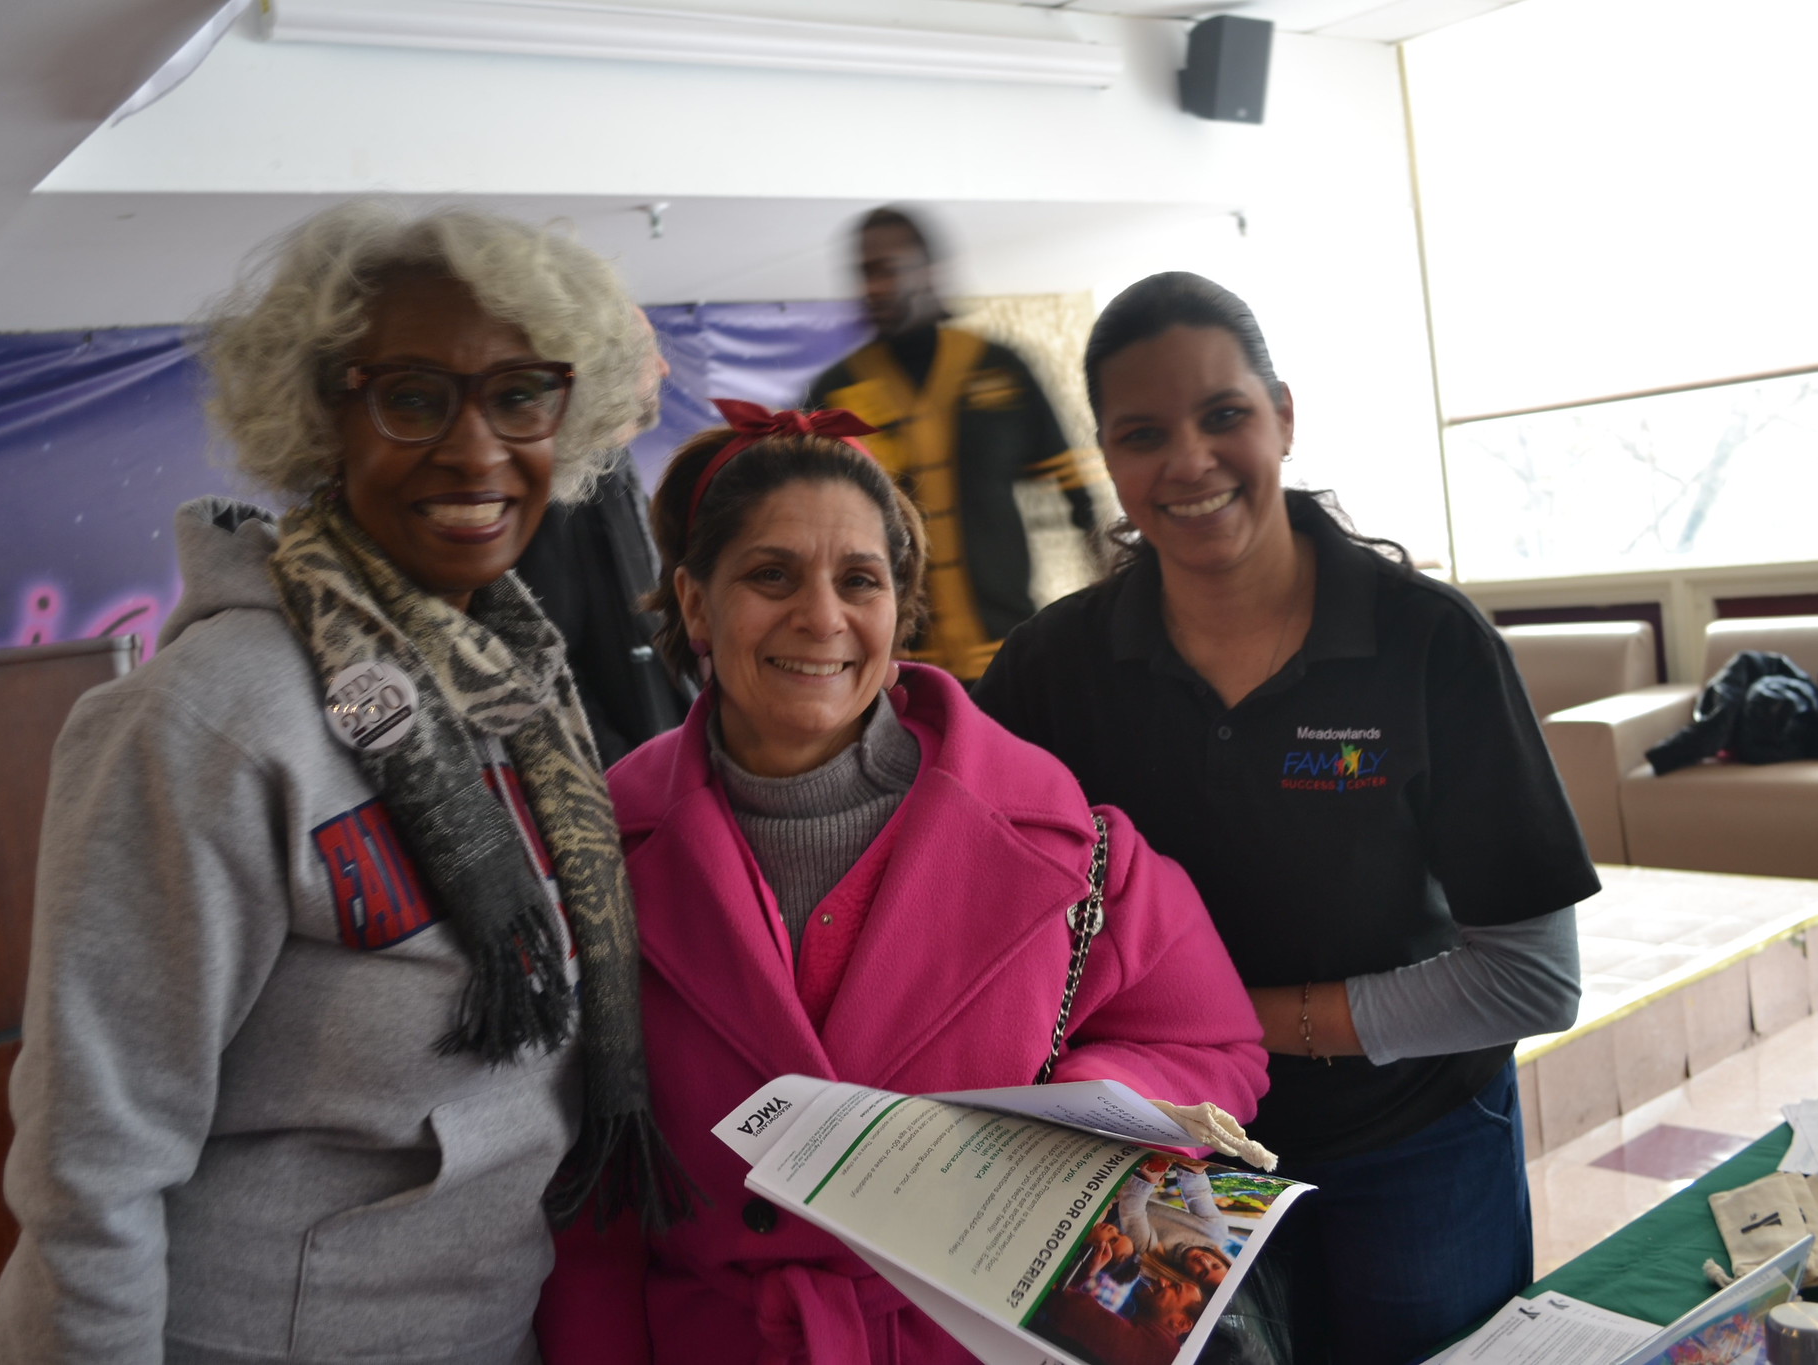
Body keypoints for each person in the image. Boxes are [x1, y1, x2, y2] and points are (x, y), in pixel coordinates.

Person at [0, 203, 683, 1364]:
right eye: (413, 397)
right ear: (325, 417)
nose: (474, 450)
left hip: (495, 1327)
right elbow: (89, 1170)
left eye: (520, 395)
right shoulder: (207, 721)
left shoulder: (520, 689)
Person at [535, 399, 1268, 1363]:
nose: (822, 617)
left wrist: (1079, 1114)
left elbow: (1212, 1045)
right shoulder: (591, 857)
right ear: (695, 603)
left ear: (898, 606)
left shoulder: (1063, 838)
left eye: (859, 579)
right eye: (770, 575)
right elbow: (589, 1210)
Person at [973, 272, 1595, 1365]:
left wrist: (1229, 1022)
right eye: (1143, 433)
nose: (1188, 462)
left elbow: (1530, 977)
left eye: (1224, 416)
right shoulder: (1048, 673)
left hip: (1409, 1144)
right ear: (1109, 460)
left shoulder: (1426, 645)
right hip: (1168, 1169)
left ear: (1284, 417)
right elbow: (968, 890)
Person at [804, 205, 1111, 683]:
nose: (873, 288)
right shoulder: (835, 393)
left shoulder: (1001, 368)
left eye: (887, 270)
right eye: (864, 273)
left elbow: (1083, 504)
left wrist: (1115, 606)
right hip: (897, 671)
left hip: (1011, 655)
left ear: (929, 271)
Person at [516, 309, 692, 767]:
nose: (664, 367)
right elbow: (546, 659)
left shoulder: (611, 466)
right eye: (650, 351)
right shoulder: (567, 482)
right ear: (611, 364)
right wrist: (617, 768)